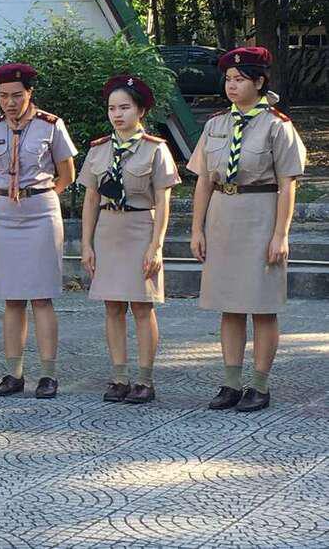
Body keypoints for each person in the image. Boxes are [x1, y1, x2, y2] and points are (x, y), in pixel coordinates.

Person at [188, 47, 306, 412]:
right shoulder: (215, 124)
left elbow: (288, 184)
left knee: (262, 305)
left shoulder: (277, 125)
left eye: (240, 79)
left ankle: (260, 384)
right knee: (229, 305)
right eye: (228, 79)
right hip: (223, 215)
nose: (232, 85)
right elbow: (204, 181)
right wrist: (197, 229)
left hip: (260, 214)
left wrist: (280, 234)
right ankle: (231, 382)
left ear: (259, 82)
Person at [0, 63, 77, 399]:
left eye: (17, 95)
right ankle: (13, 373)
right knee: (12, 297)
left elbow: (67, 173)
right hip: (6, 213)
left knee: (42, 296)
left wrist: (42, 196)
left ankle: (48, 374)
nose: (10, 102)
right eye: (3, 96)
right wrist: (8, 196)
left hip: (41, 211)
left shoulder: (51, 125)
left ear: (29, 93)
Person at [77, 75, 181, 404]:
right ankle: (119, 377)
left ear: (140, 110)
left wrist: (156, 246)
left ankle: (145, 379)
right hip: (109, 229)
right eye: (112, 108)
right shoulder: (99, 150)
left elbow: (163, 201)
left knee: (142, 306)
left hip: (140, 228)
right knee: (112, 306)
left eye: (124, 107)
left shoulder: (155, 149)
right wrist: (86, 244)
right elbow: (91, 199)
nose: (117, 114)